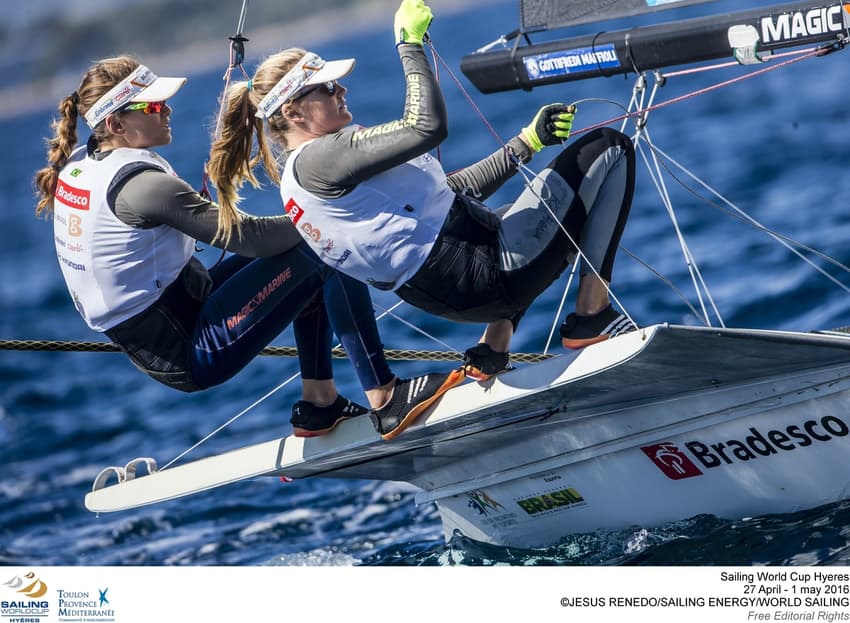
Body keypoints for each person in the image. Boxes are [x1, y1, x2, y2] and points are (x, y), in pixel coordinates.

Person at [207, 0, 637, 437]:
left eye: (337, 85)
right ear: (293, 113)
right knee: (609, 146)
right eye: (327, 89)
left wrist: (527, 142)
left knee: (523, 210)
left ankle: (493, 346)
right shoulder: (323, 157)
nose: (342, 92)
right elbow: (425, 126)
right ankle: (591, 319)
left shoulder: (304, 177)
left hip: (456, 289)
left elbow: (450, 195)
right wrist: (409, 44)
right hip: (484, 274)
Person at [33, 55, 464, 442]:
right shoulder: (142, 188)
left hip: (177, 311)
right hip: (185, 349)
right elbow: (251, 239)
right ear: (114, 124)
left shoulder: (86, 161)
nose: (166, 110)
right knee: (323, 249)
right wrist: (327, 213)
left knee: (309, 255)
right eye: (152, 105)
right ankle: (386, 398)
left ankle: (320, 405)